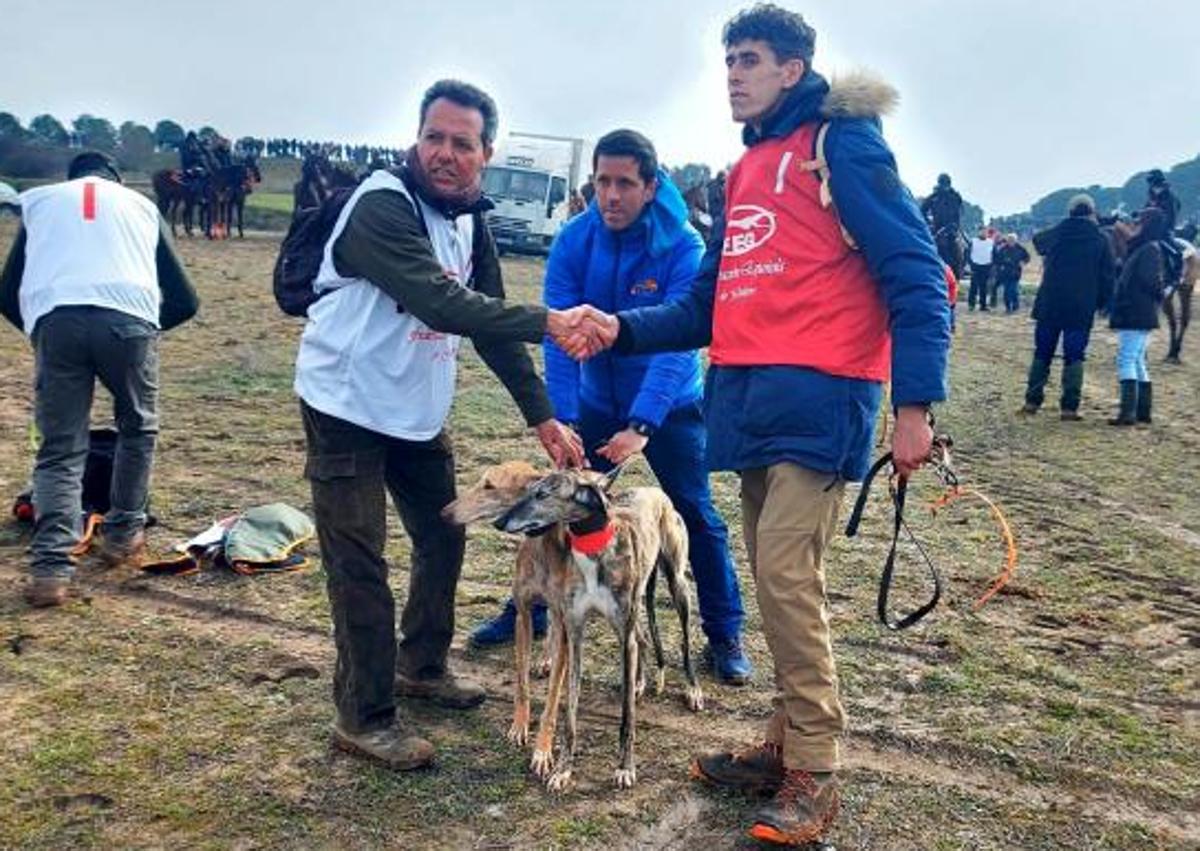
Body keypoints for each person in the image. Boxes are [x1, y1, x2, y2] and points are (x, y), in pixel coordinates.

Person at [558, 6, 951, 844]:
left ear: (795, 66)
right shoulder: (747, 171)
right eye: (728, 59)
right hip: (750, 406)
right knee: (778, 586)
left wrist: (915, 406)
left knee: (785, 581)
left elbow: (917, 269)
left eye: (751, 59)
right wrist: (621, 326)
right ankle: (783, 741)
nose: (734, 74)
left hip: (823, 399)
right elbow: (710, 301)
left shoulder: (839, 144)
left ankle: (816, 769)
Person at [292, 79, 592, 772]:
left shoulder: (468, 220)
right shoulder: (380, 205)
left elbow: (488, 322)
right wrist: (550, 321)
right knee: (359, 559)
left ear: (486, 152)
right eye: (434, 137)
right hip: (344, 405)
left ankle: (420, 664)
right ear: (415, 140)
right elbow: (439, 302)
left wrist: (542, 415)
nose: (445, 154)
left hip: (414, 410)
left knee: (443, 530)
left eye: (462, 143)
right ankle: (362, 714)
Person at [468, 129, 752, 685]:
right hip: (595, 404)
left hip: (668, 408)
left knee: (695, 513)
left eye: (625, 183)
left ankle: (724, 633)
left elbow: (679, 341)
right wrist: (567, 419)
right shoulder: (575, 239)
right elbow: (558, 333)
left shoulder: (683, 247)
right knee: (557, 505)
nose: (612, 195)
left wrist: (643, 424)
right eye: (603, 181)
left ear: (650, 186)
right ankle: (529, 606)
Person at [0, 151, 199, 607]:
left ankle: (50, 568)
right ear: (115, 178)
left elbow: (6, 291)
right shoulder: (141, 206)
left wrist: (41, 332)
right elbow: (185, 299)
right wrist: (144, 329)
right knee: (137, 428)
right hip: (129, 321)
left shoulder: (39, 202)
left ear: (71, 178)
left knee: (60, 449)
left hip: (57, 321)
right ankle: (123, 534)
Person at [1020, 194, 1115, 420]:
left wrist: (1065, 223)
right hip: (1081, 306)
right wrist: (1100, 303)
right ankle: (1069, 408)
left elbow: (1038, 242)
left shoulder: (1059, 233)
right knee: (1075, 356)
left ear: (1070, 212)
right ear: (1092, 212)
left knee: (1042, 352)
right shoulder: (1100, 239)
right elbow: (1107, 277)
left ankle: (1032, 402)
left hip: (1051, 303)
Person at [1108, 207, 1166, 425]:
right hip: (1139, 309)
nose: (1135, 224)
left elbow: (1149, 281)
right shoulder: (1146, 247)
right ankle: (1142, 411)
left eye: (1139, 221)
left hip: (1135, 310)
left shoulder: (1148, 249)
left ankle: (1128, 413)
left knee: (1126, 359)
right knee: (1138, 359)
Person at [992, 233, 1030, 313]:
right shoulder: (1003, 249)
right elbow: (997, 260)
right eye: (1009, 240)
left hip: (1016, 272)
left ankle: (1015, 306)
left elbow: (1027, 257)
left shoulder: (1020, 248)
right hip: (1005, 273)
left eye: (1012, 240)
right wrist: (1000, 266)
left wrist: (1023, 262)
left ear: (1016, 240)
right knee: (1006, 291)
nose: (1011, 241)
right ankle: (1008, 307)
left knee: (1013, 290)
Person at [968, 226, 994, 310]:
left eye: (985, 231)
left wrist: (992, 265)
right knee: (973, 287)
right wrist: (970, 265)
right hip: (975, 266)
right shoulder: (973, 241)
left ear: (987, 232)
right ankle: (971, 305)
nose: (983, 233)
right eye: (982, 231)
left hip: (986, 266)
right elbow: (967, 254)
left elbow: (995, 254)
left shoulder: (991, 242)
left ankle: (983, 306)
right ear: (978, 232)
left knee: (984, 287)